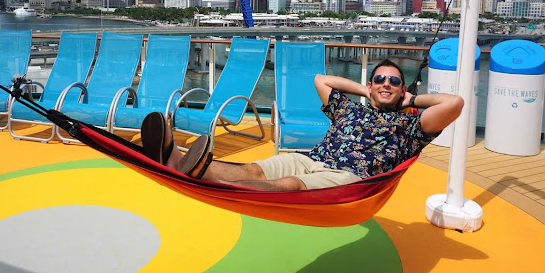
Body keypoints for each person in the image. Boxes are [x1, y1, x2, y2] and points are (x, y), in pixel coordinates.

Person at [141, 58, 464, 191]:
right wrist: (365, 90)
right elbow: (321, 79)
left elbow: (454, 104)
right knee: (254, 170)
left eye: (394, 81)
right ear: (369, 84)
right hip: (310, 156)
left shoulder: (408, 128)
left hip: (349, 177)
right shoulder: (348, 110)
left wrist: (408, 101)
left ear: (403, 89)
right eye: (379, 79)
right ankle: (176, 162)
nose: (386, 84)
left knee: (292, 186)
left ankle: (188, 168)